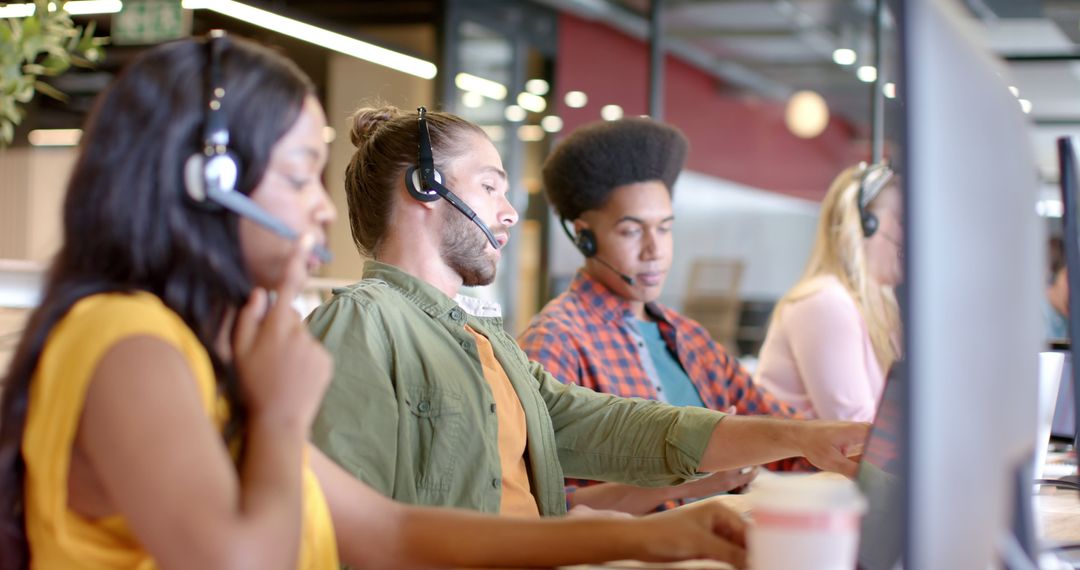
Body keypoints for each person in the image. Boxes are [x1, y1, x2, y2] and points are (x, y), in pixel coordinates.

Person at [0, 35, 771, 570]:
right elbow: (243, 560)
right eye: (301, 173)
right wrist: (277, 416)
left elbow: (391, 532)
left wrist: (656, 538)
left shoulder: (206, 349)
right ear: (214, 182)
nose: (322, 209)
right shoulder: (128, 344)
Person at [307, 105, 869, 522]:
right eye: (489, 187)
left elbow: (614, 425)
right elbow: (344, 530)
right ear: (425, 186)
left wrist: (802, 436)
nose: (506, 214)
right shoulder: (362, 323)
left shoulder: (487, 340)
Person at [518, 118, 804, 514]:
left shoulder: (687, 337)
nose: (655, 251)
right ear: (585, 236)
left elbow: (782, 433)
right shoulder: (556, 340)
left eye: (665, 229)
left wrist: (836, 444)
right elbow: (534, 503)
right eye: (632, 231)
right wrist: (694, 477)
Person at [753, 162, 904, 422]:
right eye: (902, 219)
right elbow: (854, 431)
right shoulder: (826, 303)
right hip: (808, 463)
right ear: (866, 225)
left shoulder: (882, 303)